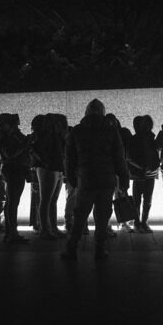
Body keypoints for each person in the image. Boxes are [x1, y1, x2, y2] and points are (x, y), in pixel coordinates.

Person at [61, 99, 130, 260]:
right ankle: (100, 249)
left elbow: (69, 158)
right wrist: (124, 179)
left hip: (86, 179)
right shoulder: (112, 131)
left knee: (79, 216)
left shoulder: (77, 131)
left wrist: (71, 177)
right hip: (107, 179)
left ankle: (71, 248)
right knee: (102, 216)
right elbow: (120, 158)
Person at [0, 113, 32, 244]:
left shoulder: (7, 136)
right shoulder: (9, 137)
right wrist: (25, 143)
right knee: (13, 202)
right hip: (15, 170)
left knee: (11, 202)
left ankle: (10, 232)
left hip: (15, 170)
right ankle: (11, 233)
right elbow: (10, 154)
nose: (18, 126)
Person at [35, 113, 67, 239]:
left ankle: (51, 228)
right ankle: (45, 229)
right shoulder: (48, 135)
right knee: (47, 200)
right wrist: (46, 163)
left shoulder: (54, 135)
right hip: (49, 169)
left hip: (54, 169)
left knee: (51, 200)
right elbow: (40, 150)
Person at [127, 115, 160, 233]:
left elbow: (156, 154)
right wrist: (143, 167)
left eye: (149, 124)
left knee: (146, 199)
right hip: (140, 173)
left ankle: (143, 222)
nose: (147, 126)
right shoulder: (136, 138)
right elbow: (129, 157)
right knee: (138, 199)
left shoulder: (151, 138)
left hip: (147, 172)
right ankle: (138, 222)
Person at [26, 114, 44, 233]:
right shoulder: (40, 138)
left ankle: (37, 224)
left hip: (33, 170)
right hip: (40, 169)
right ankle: (40, 223)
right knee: (43, 198)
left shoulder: (30, 138)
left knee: (37, 198)